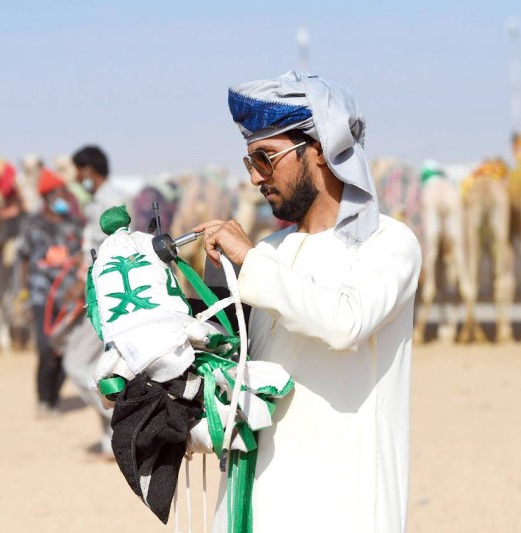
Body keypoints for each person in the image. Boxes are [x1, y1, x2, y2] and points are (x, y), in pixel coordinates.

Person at [195, 71, 422, 532]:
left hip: (343, 504)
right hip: (255, 501)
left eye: (266, 158)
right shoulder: (272, 252)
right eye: (249, 161)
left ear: (320, 149)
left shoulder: (389, 244)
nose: (257, 177)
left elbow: (345, 323)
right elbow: (240, 374)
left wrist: (251, 263)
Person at [62, 144, 126, 458]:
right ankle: (110, 442)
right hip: (95, 294)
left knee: (75, 364)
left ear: (87, 171)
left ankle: (119, 420)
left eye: (77, 172)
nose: (76, 179)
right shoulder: (100, 202)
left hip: (102, 297)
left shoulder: (110, 202)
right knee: (99, 367)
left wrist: (80, 284)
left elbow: (113, 252)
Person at [18, 168, 84, 418]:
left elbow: (80, 258)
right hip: (40, 296)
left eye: (63, 194)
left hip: (69, 298)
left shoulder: (74, 225)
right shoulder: (31, 224)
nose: (63, 198)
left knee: (66, 350)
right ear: (46, 197)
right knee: (45, 349)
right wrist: (23, 295)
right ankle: (43, 399)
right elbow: (22, 260)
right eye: (57, 194)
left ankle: (54, 398)